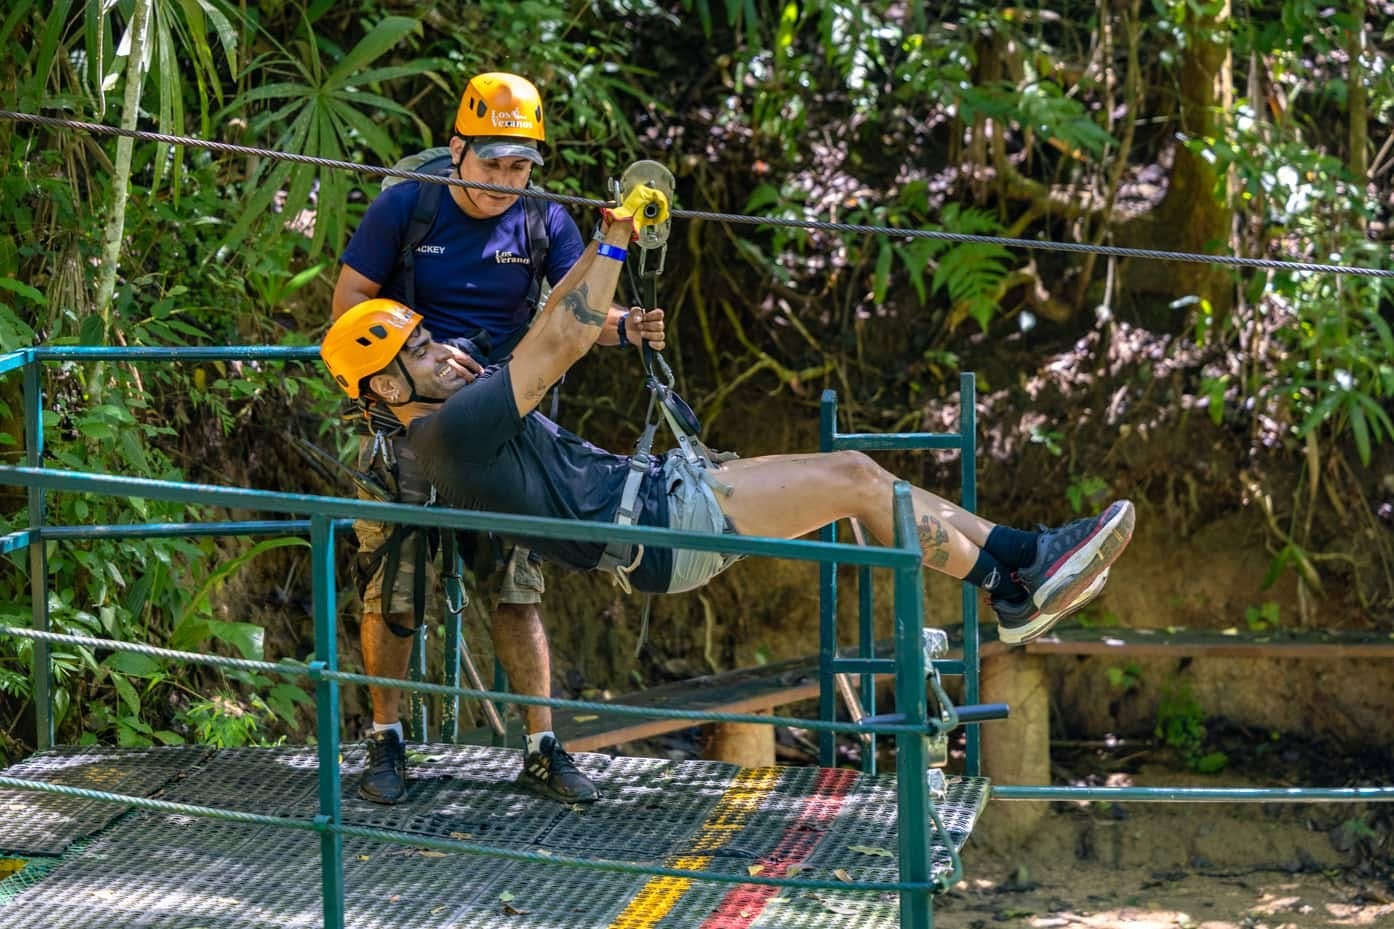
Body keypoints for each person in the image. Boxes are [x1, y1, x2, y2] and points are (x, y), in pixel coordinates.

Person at [321, 185, 1135, 797]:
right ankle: (1016, 571)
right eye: (421, 352)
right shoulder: (447, 433)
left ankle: (1017, 572)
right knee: (853, 478)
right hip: (660, 526)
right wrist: (611, 242)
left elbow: (545, 329)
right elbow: (559, 341)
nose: (443, 352)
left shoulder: (441, 420)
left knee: (863, 478)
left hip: (659, 503)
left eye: (430, 338)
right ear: (386, 389)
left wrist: (603, 245)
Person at [330, 72, 643, 807]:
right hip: (408, 420)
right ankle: (385, 737)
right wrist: (420, 357)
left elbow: (578, 308)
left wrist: (624, 326)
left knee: (516, 585)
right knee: (395, 587)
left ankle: (541, 744)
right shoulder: (406, 207)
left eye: (520, 166)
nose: (506, 181)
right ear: (457, 149)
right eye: (493, 163)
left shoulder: (543, 219)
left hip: (504, 425)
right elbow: (347, 305)